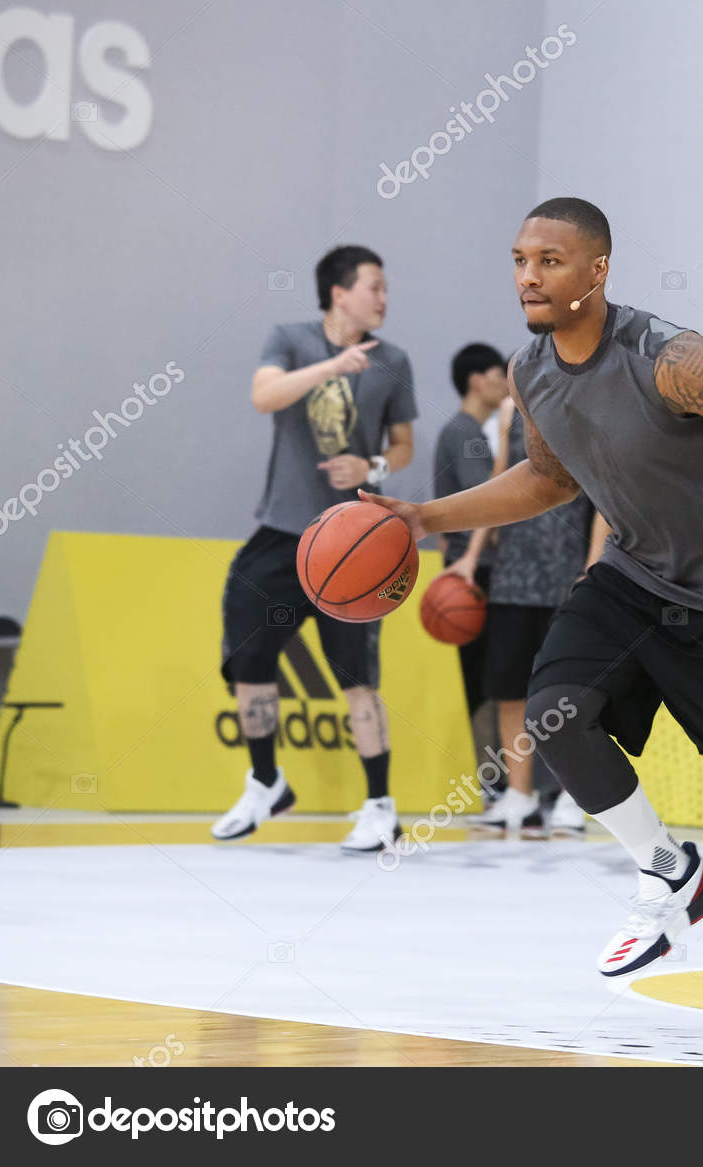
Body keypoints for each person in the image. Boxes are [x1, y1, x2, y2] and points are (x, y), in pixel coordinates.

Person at [365, 198, 703, 1027]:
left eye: (551, 261)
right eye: (520, 259)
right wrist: (425, 518)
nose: (529, 276)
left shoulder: (669, 359)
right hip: (633, 579)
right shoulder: (529, 369)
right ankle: (671, 871)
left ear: (597, 271)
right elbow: (549, 478)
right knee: (553, 716)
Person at [213, 245, 416, 852]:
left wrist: (371, 462)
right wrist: (332, 367)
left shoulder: (395, 360)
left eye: (384, 287)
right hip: (281, 534)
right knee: (249, 663)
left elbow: (403, 446)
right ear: (339, 292)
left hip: (352, 539)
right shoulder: (291, 339)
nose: (383, 298)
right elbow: (264, 396)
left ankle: (379, 805)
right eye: (374, 287)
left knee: (358, 679)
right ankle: (266, 781)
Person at [448, 392, 599, 836]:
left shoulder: (589, 406)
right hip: (513, 572)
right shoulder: (511, 410)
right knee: (511, 690)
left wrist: (592, 566)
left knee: (571, 694)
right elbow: (497, 485)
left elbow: (605, 498)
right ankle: (520, 796)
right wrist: (472, 557)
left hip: (567, 572)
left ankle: (575, 798)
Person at [434, 343, 507, 728]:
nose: (506, 385)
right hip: (476, 572)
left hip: (471, 566)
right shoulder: (466, 434)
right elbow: (490, 505)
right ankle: (493, 777)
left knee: (488, 675)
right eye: (499, 376)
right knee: (489, 678)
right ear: (476, 381)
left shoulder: (468, 432)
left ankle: (496, 777)